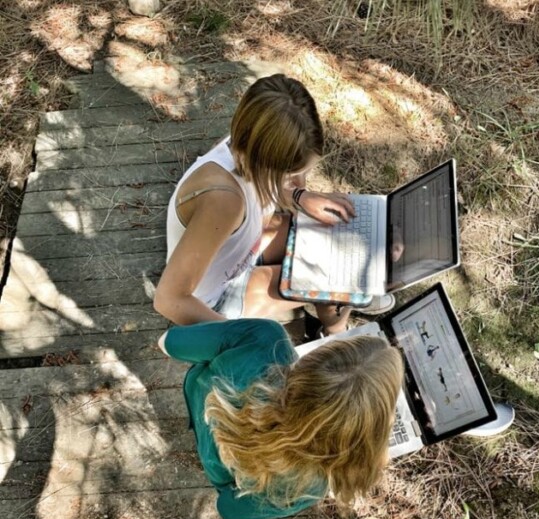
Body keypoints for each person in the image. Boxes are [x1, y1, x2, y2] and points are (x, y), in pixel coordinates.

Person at [154, 73, 395, 335]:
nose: (300, 181)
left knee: (337, 243)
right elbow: (170, 300)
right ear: (266, 160)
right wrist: (242, 338)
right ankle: (335, 322)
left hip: (241, 250)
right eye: (292, 175)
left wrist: (300, 197)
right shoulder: (223, 202)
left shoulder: (245, 143)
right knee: (329, 279)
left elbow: (270, 187)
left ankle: (350, 290)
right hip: (216, 297)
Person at [158, 318, 404, 519]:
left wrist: (234, 333)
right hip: (218, 469)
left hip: (199, 402)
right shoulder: (310, 488)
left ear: (313, 360)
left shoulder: (265, 338)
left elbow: (168, 342)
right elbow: (227, 508)